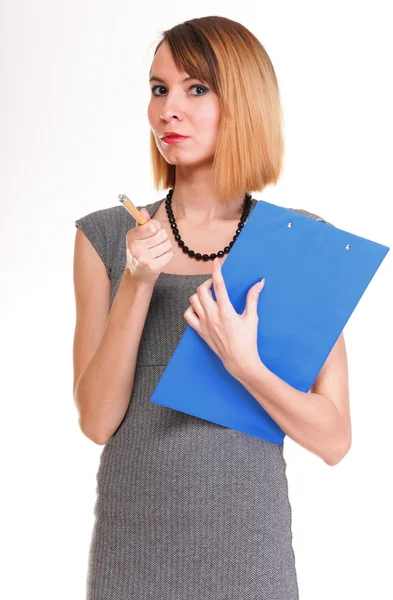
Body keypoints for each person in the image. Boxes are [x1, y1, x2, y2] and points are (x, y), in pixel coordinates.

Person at [73, 15, 351, 600]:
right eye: (158, 88)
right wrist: (137, 281)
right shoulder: (106, 237)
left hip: (253, 566)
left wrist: (245, 365)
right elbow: (96, 422)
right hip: (132, 564)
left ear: (243, 102)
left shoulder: (298, 244)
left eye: (196, 88)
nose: (167, 109)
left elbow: (334, 439)